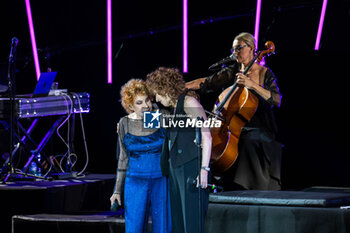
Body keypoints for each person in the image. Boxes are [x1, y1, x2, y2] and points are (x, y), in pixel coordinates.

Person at [188, 32, 282, 191]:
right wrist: (181, 87)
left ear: (251, 48)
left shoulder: (265, 73)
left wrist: (252, 85)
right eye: (233, 49)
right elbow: (207, 82)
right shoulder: (233, 71)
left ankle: (245, 187)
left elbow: (276, 99)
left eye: (238, 48)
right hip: (233, 126)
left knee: (246, 141)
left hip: (259, 128)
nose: (235, 53)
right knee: (204, 137)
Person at [146, 67, 212, 233]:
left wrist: (204, 169)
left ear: (166, 89)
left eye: (158, 94)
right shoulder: (174, 110)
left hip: (191, 168)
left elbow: (207, 137)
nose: (158, 100)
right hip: (176, 170)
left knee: (192, 222)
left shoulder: (189, 103)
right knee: (178, 223)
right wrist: (125, 124)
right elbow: (146, 122)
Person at [110, 79, 171, 233]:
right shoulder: (124, 123)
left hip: (161, 180)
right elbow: (123, 158)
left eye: (147, 100)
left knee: (163, 227)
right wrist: (117, 191)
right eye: (139, 103)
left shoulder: (158, 116)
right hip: (135, 181)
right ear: (130, 106)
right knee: (134, 228)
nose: (145, 105)